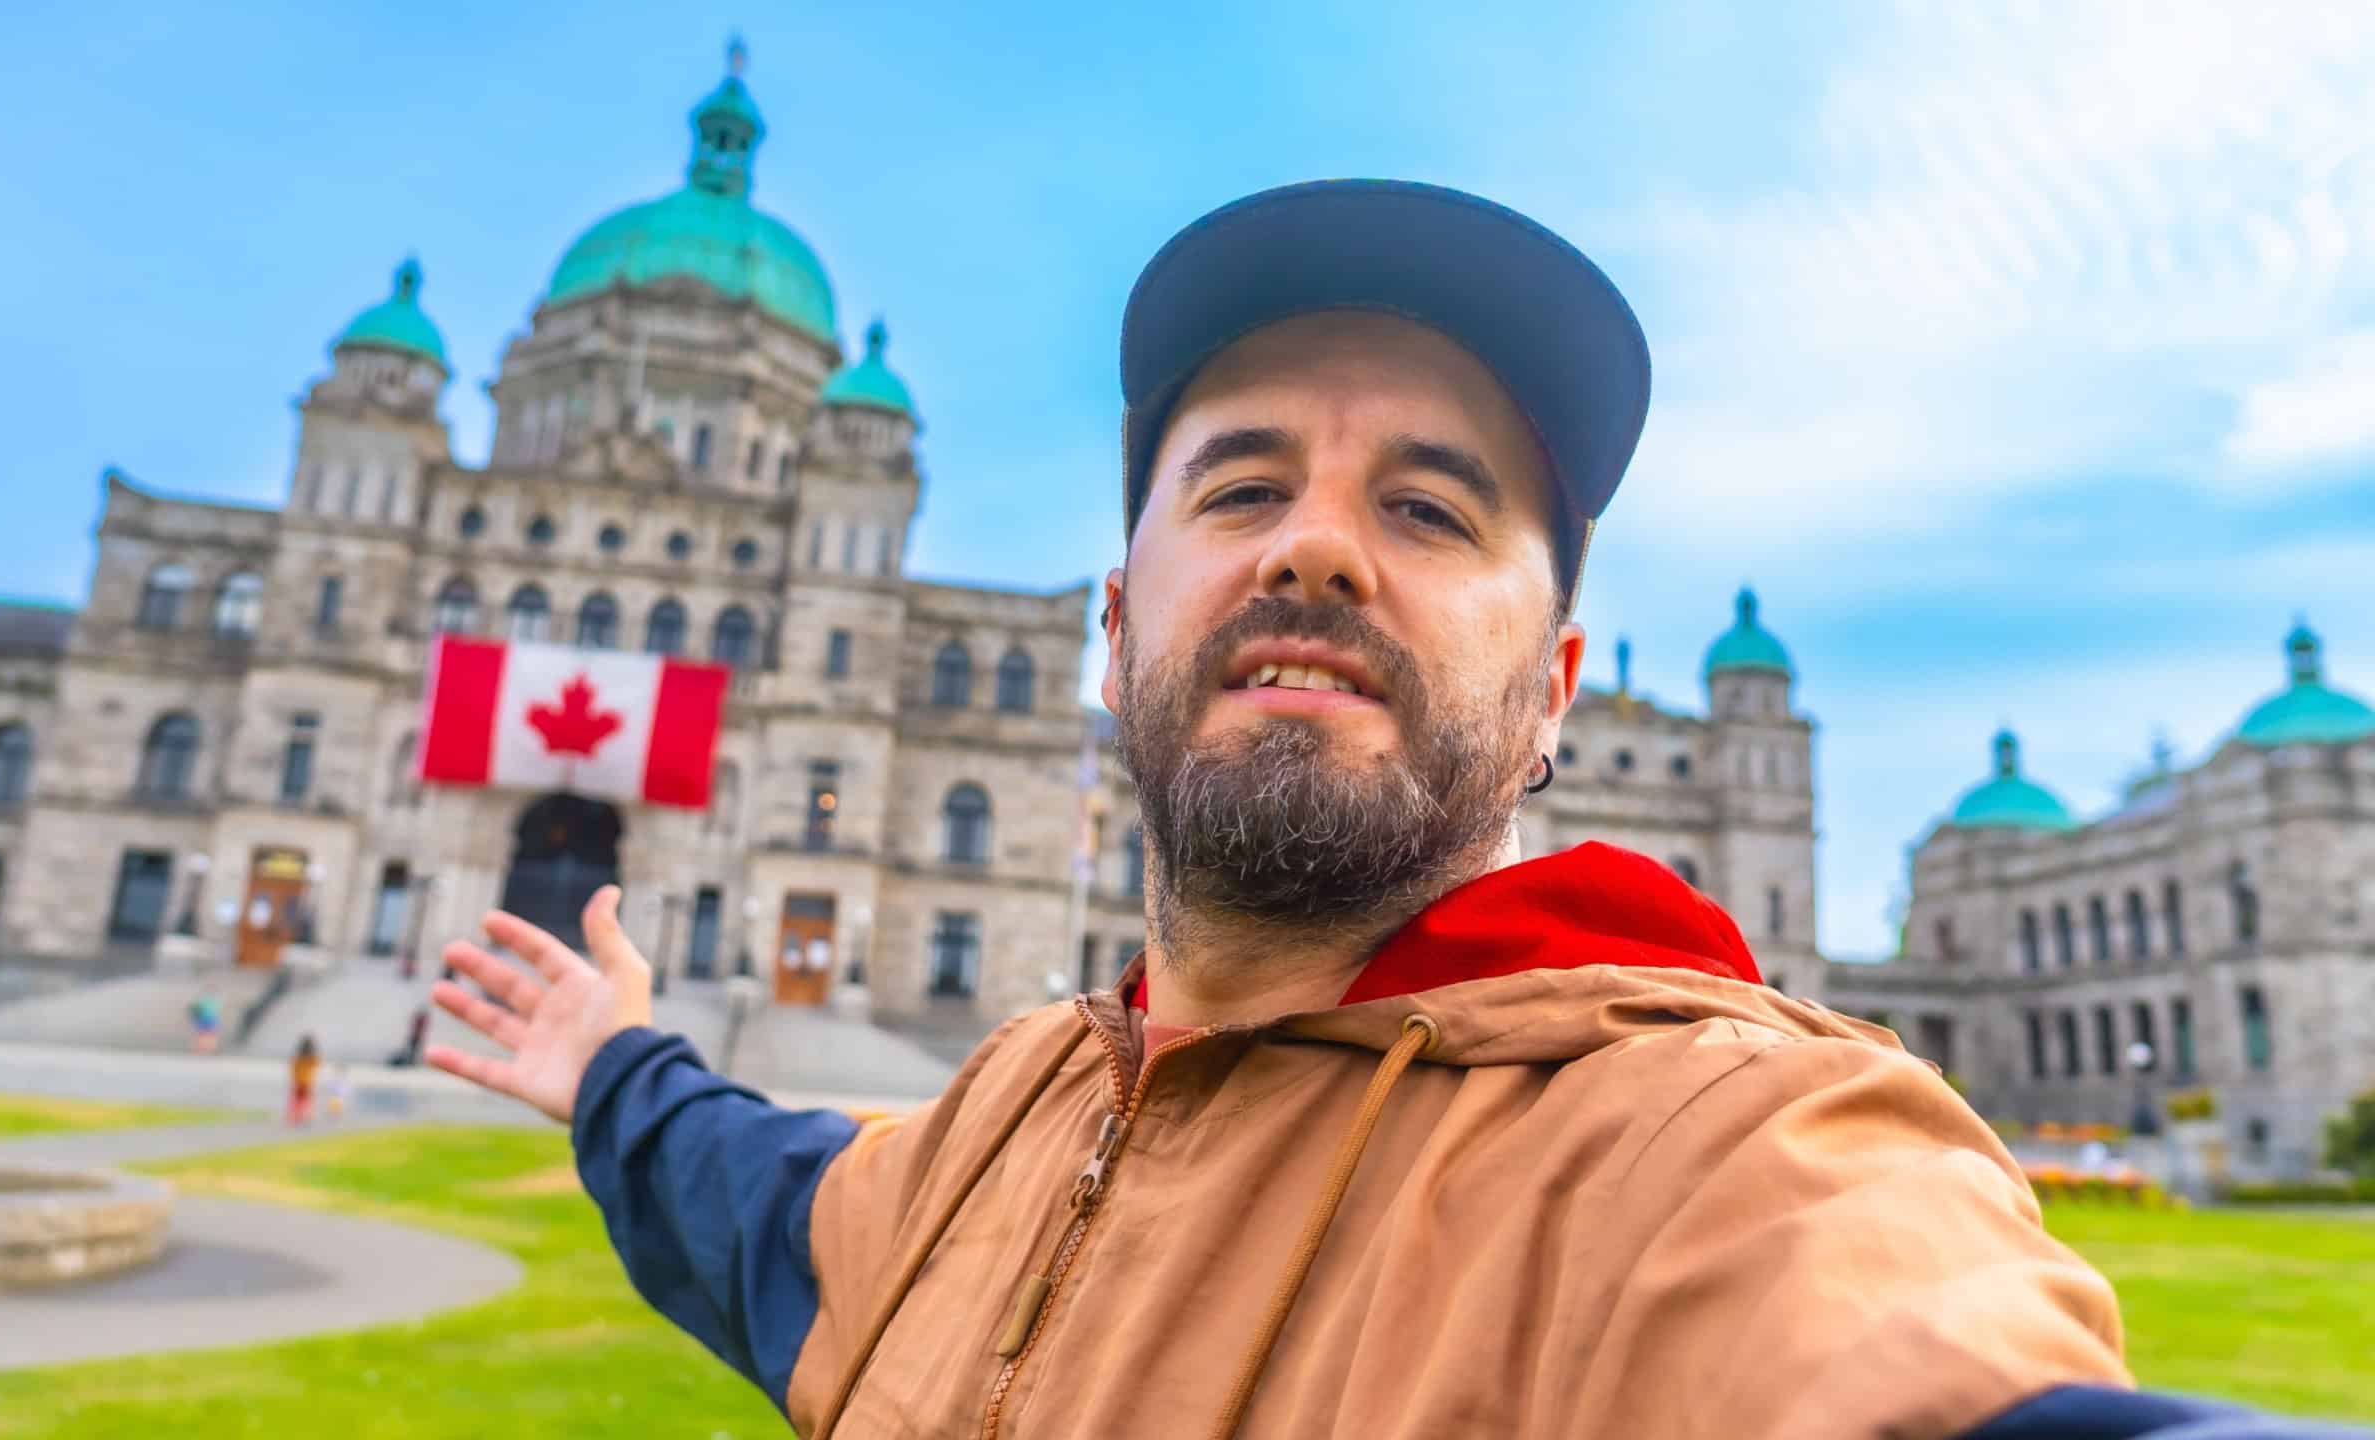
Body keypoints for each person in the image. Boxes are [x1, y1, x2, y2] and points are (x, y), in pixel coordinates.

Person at [427, 182, 2362, 1438]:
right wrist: (616, 1064)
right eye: (1242, 484)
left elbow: (1912, 1371)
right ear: (1110, 630)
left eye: (1432, 507)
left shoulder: (1704, 1148)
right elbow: (761, 1215)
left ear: (1558, 694)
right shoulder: (994, 1138)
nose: (1324, 550)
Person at [287, 1033, 320, 1127]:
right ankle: (303, 1116)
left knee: (298, 1101)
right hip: (306, 1082)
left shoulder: (299, 1058)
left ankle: (297, 1116)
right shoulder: (310, 1058)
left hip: (300, 1082)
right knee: (305, 1101)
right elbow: (316, 1064)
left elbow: (293, 1069)